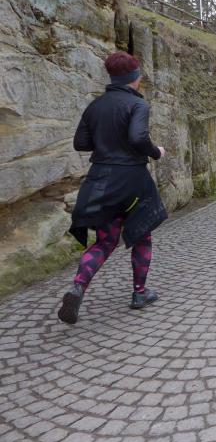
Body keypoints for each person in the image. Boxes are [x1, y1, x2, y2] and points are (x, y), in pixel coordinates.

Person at [58, 51, 168, 324]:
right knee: (142, 235)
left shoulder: (95, 106)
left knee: (105, 241)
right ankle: (139, 293)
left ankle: (78, 287)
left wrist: (106, 141)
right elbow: (138, 137)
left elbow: (80, 143)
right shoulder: (138, 104)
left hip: (101, 180)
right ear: (135, 78)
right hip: (132, 181)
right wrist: (156, 151)